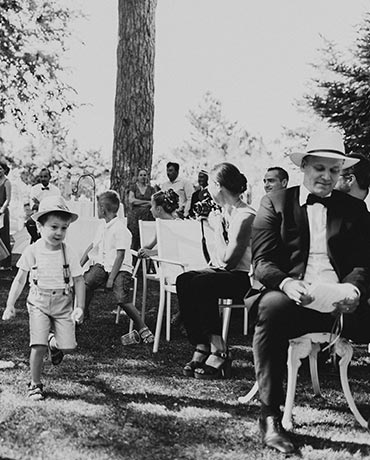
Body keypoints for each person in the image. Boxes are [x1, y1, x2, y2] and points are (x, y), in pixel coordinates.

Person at [250, 129, 370, 454]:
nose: (328, 177)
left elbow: (363, 262)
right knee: (271, 308)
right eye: (320, 168)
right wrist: (288, 284)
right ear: (304, 166)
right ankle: (271, 417)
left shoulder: (355, 210)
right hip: (293, 299)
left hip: (342, 302)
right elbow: (262, 263)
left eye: (335, 171)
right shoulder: (274, 203)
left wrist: (354, 291)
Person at [176, 163, 255, 381]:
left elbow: (229, 261)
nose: (208, 189)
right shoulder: (227, 212)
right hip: (228, 273)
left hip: (247, 278)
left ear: (218, 186)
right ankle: (201, 345)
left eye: (210, 184)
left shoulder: (245, 216)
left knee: (202, 284)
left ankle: (220, 350)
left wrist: (217, 231)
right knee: (184, 280)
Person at [2, 195, 85, 401]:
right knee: (37, 346)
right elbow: (20, 279)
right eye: (54, 227)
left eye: (64, 228)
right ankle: (35, 383)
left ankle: (54, 343)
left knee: (68, 346)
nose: (59, 232)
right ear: (40, 226)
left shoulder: (69, 252)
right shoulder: (33, 250)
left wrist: (79, 306)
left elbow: (79, 280)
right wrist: (10, 305)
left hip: (63, 302)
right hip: (38, 302)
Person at [81, 191, 155, 343]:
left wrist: (111, 279)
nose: (97, 210)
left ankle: (142, 327)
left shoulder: (120, 229)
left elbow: (120, 256)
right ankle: (83, 312)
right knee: (84, 283)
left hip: (120, 268)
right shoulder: (102, 226)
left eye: (97, 207)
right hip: (103, 265)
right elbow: (92, 247)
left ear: (102, 209)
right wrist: (78, 265)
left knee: (121, 296)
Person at [137, 189, 181, 259]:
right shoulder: (160, 225)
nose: (150, 209)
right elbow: (149, 246)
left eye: (152, 206)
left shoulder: (176, 224)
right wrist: (143, 250)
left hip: (175, 263)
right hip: (167, 262)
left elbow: (175, 249)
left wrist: (151, 252)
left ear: (158, 209)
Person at [126, 167, 156, 250]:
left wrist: (141, 202)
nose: (143, 177)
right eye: (141, 175)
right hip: (135, 217)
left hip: (148, 216)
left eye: (145, 175)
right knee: (134, 239)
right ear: (137, 177)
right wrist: (147, 202)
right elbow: (132, 200)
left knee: (147, 238)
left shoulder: (151, 189)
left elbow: (153, 201)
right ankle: (134, 260)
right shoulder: (133, 187)